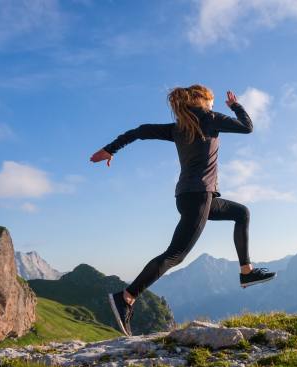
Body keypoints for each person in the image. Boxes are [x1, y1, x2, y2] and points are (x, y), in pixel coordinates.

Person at [90, 84, 276, 336]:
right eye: (210, 100)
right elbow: (247, 127)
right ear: (201, 100)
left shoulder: (179, 128)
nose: (213, 104)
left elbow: (140, 131)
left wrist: (111, 149)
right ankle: (127, 296)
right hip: (199, 197)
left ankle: (247, 272)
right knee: (175, 255)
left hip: (191, 197)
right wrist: (235, 106)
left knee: (241, 212)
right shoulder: (210, 119)